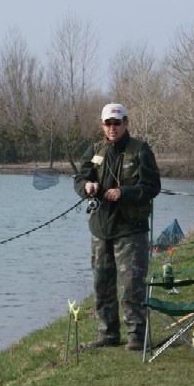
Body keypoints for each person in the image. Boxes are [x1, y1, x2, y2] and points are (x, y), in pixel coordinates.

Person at [74, 103, 161, 350]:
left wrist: (125, 193)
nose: (113, 128)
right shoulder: (94, 150)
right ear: (102, 125)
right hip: (101, 229)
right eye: (108, 124)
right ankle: (108, 333)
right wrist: (87, 188)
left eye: (117, 123)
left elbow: (152, 187)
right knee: (102, 284)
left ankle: (136, 335)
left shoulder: (141, 150)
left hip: (131, 229)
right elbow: (81, 178)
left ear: (126, 123)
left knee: (132, 285)